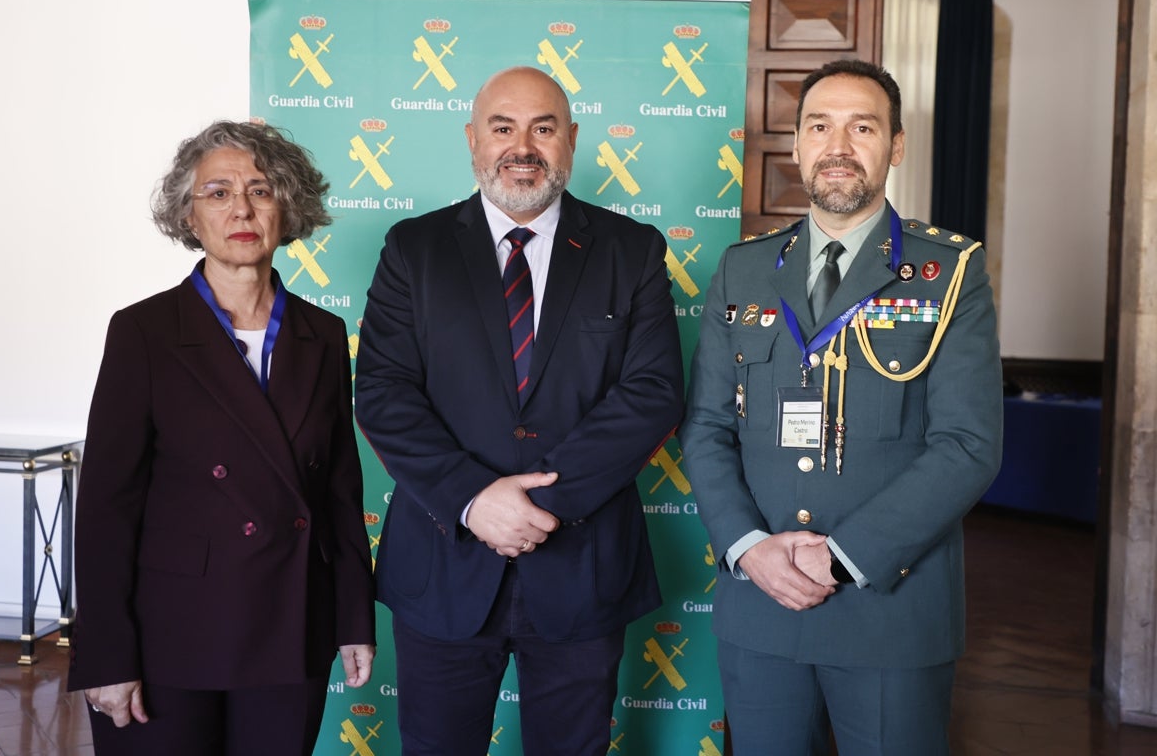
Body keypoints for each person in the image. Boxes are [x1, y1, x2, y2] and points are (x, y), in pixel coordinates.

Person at [352, 65, 684, 755]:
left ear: (572, 140)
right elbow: (383, 392)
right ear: (473, 140)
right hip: (443, 565)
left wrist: (541, 505)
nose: (522, 145)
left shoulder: (634, 250)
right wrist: (476, 499)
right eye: (503, 127)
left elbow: (651, 394)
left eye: (544, 127)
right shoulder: (413, 250)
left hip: (583, 566)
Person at [680, 59, 1003, 755]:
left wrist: (844, 557)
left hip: (889, 609)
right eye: (820, 127)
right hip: (759, 604)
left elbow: (968, 445)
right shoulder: (742, 268)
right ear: (795, 145)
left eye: (863, 127)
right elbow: (706, 428)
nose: (839, 146)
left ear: (896, 145)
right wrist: (750, 549)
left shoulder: (949, 272)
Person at [67, 121, 376, 756]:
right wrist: (106, 654)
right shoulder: (144, 332)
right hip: (168, 634)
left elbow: (341, 494)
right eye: (217, 192)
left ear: (287, 206)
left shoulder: (323, 335)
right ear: (189, 214)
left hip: (293, 625)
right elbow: (106, 506)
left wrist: (353, 619)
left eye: (261, 190)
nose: (241, 208)